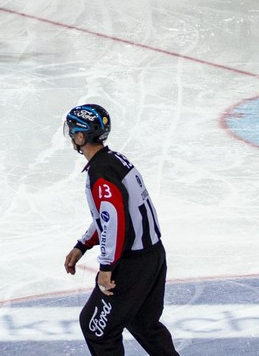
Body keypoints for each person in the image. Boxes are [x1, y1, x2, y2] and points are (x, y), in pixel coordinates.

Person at [61, 103, 180, 356]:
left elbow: (114, 221)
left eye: (72, 131)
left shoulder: (101, 173)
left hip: (131, 264)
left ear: (81, 137)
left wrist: (106, 268)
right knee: (143, 324)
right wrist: (83, 245)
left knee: (96, 329)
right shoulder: (114, 161)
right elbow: (112, 215)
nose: (70, 136)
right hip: (153, 255)